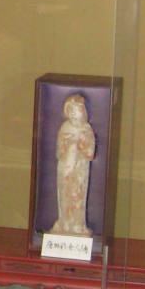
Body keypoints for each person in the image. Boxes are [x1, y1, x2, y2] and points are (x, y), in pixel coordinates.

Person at [51, 93, 96, 236]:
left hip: (79, 168)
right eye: (71, 111)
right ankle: (64, 222)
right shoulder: (65, 127)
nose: (74, 114)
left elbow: (90, 153)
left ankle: (77, 224)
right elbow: (59, 152)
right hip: (66, 167)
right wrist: (66, 142)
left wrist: (80, 141)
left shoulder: (86, 129)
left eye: (76, 111)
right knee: (64, 194)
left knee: (77, 195)